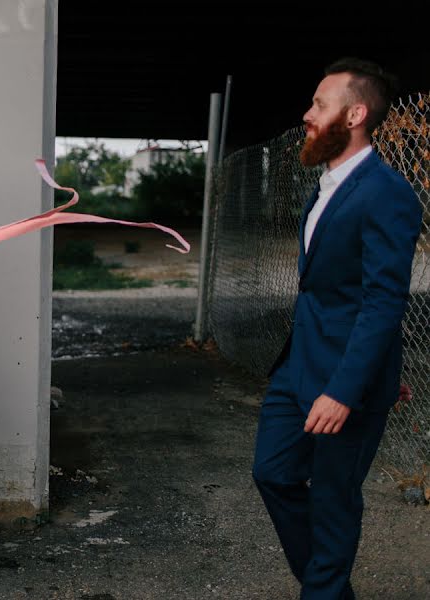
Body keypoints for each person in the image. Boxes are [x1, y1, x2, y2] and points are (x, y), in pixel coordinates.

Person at [252, 58, 423, 599]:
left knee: (332, 499)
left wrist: (350, 387)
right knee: (273, 472)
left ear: (354, 114)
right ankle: (332, 591)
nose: (307, 114)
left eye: (319, 104)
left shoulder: (386, 192)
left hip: (343, 384)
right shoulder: (327, 185)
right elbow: (336, 291)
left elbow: (382, 301)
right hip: (299, 364)